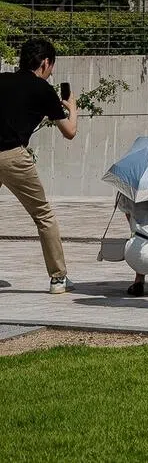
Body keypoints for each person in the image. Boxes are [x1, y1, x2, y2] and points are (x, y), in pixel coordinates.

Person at [0, 37, 79, 293]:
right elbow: (69, 132)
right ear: (45, 63)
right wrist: (72, 109)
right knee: (43, 216)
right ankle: (58, 278)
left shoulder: (2, 79)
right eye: (51, 66)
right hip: (13, 156)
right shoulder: (43, 89)